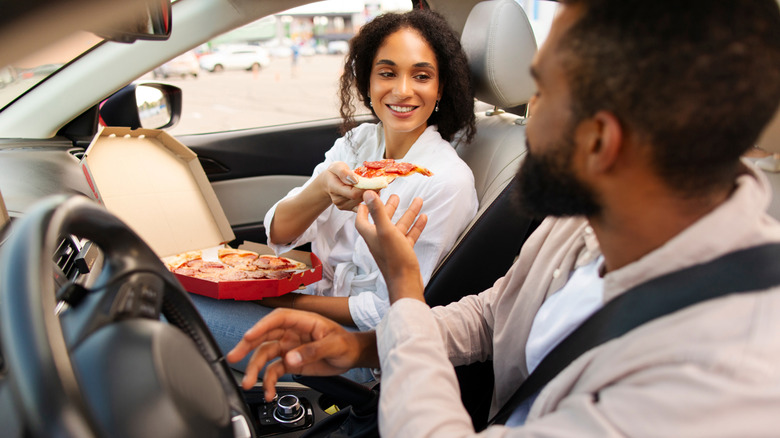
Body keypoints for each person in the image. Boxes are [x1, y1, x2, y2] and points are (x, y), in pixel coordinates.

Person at [227, 0, 780, 435]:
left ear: (600, 140)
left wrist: (403, 291)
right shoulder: (582, 220)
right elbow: (495, 314)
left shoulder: (719, 379)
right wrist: (363, 346)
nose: (525, 119)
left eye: (541, 95)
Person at [191, 9, 478, 377]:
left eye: (421, 76)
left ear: (440, 88)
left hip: (363, 350)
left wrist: (287, 301)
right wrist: (322, 188)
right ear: (368, 83)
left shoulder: (446, 181)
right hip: (313, 306)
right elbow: (279, 233)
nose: (402, 90)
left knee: (181, 307)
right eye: (387, 73)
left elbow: (392, 309)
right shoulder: (359, 144)